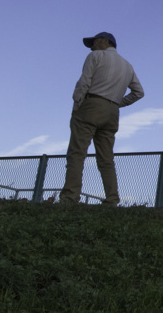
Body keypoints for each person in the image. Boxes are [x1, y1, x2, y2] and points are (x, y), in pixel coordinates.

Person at [61, 31, 144, 206]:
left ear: (106, 41)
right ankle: (112, 199)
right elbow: (139, 92)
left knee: (77, 153)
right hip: (112, 112)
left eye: (94, 42)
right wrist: (116, 104)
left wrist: (77, 104)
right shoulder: (127, 66)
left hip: (90, 105)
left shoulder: (95, 56)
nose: (92, 46)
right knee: (106, 158)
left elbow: (84, 81)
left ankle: (70, 197)